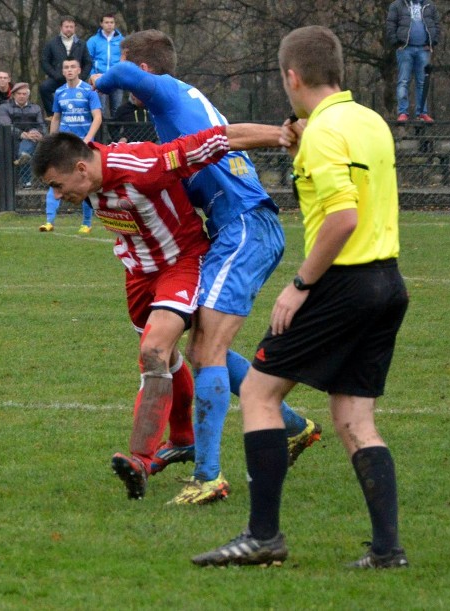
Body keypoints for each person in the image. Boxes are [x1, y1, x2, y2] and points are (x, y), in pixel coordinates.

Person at [192, 26, 410, 570]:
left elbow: (342, 218)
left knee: (262, 393)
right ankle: (388, 551)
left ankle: (263, 536)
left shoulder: (322, 133)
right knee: (355, 416)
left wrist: (299, 285)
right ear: (339, 71)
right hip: (388, 282)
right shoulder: (369, 121)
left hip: (341, 281)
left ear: (291, 76)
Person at [92, 30, 320, 505]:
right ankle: (296, 427)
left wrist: (95, 79)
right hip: (236, 226)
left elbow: (119, 74)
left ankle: (209, 476)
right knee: (203, 347)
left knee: (206, 350)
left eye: (135, 71)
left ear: (146, 71)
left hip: (242, 225)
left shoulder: (165, 93)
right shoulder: (183, 99)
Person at [31, 123, 285, 501]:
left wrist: (286, 134)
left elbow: (214, 140)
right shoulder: (91, 176)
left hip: (180, 264)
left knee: (153, 352)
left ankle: (140, 458)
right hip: (138, 273)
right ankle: (185, 438)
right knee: (168, 358)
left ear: (82, 170)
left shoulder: (143, 163)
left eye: (56, 185)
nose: (56, 195)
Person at [40, 58, 101, 234]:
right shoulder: (59, 92)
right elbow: (57, 118)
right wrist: (52, 140)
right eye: (66, 67)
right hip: (64, 145)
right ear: (62, 71)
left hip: (82, 144)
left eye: (72, 67)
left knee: (84, 181)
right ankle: (49, 221)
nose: (69, 70)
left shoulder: (89, 90)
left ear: (79, 70)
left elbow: (97, 117)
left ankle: (86, 223)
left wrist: (88, 138)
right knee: (55, 179)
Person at [385, 0, 440, 123]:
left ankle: (422, 113)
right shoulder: (397, 5)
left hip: (423, 49)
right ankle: (403, 112)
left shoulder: (429, 5)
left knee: (422, 82)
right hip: (405, 49)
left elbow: (436, 24)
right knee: (403, 80)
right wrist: (396, 42)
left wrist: (433, 42)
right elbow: (390, 24)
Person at [39, 17, 92, 117]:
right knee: (44, 88)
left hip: (77, 80)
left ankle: (86, 116)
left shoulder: (81, 44)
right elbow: (44, 61)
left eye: (71, 27)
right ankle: (52, 115)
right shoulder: (52, 43)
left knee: (90, 93)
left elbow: (88, 62)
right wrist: (55, 74)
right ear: (61, 27)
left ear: (75, 28)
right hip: (58, 78)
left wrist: (81, 77)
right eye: (66, 26)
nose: (69, 29)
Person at [0, 82, 44, 188]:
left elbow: (41, 125)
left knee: (28, 144)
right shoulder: (4, 107)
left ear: (28, 95)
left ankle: (24, 174)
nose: (22, 96)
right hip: (11, 138)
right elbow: (6, 125)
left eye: (24, 94)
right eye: (19, 93)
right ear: (13, 95)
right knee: (25, 149)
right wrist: (21, 134)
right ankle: (26, 181)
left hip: (31, 139)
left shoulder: (36, 108)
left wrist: (39, 134)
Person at [86, 14, 124, 118]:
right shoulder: (93, 41)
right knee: (99, 109)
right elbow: (88, 60)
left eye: (111, 22)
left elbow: (125, 59)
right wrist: (93, 75)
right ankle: (99, 134)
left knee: (117, 109)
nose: (109, 25)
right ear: (101, 24)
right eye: (106, 22)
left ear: (115, 24)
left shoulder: (122, 41)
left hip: (116, 79)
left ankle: (116, 134)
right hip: (99, 78)